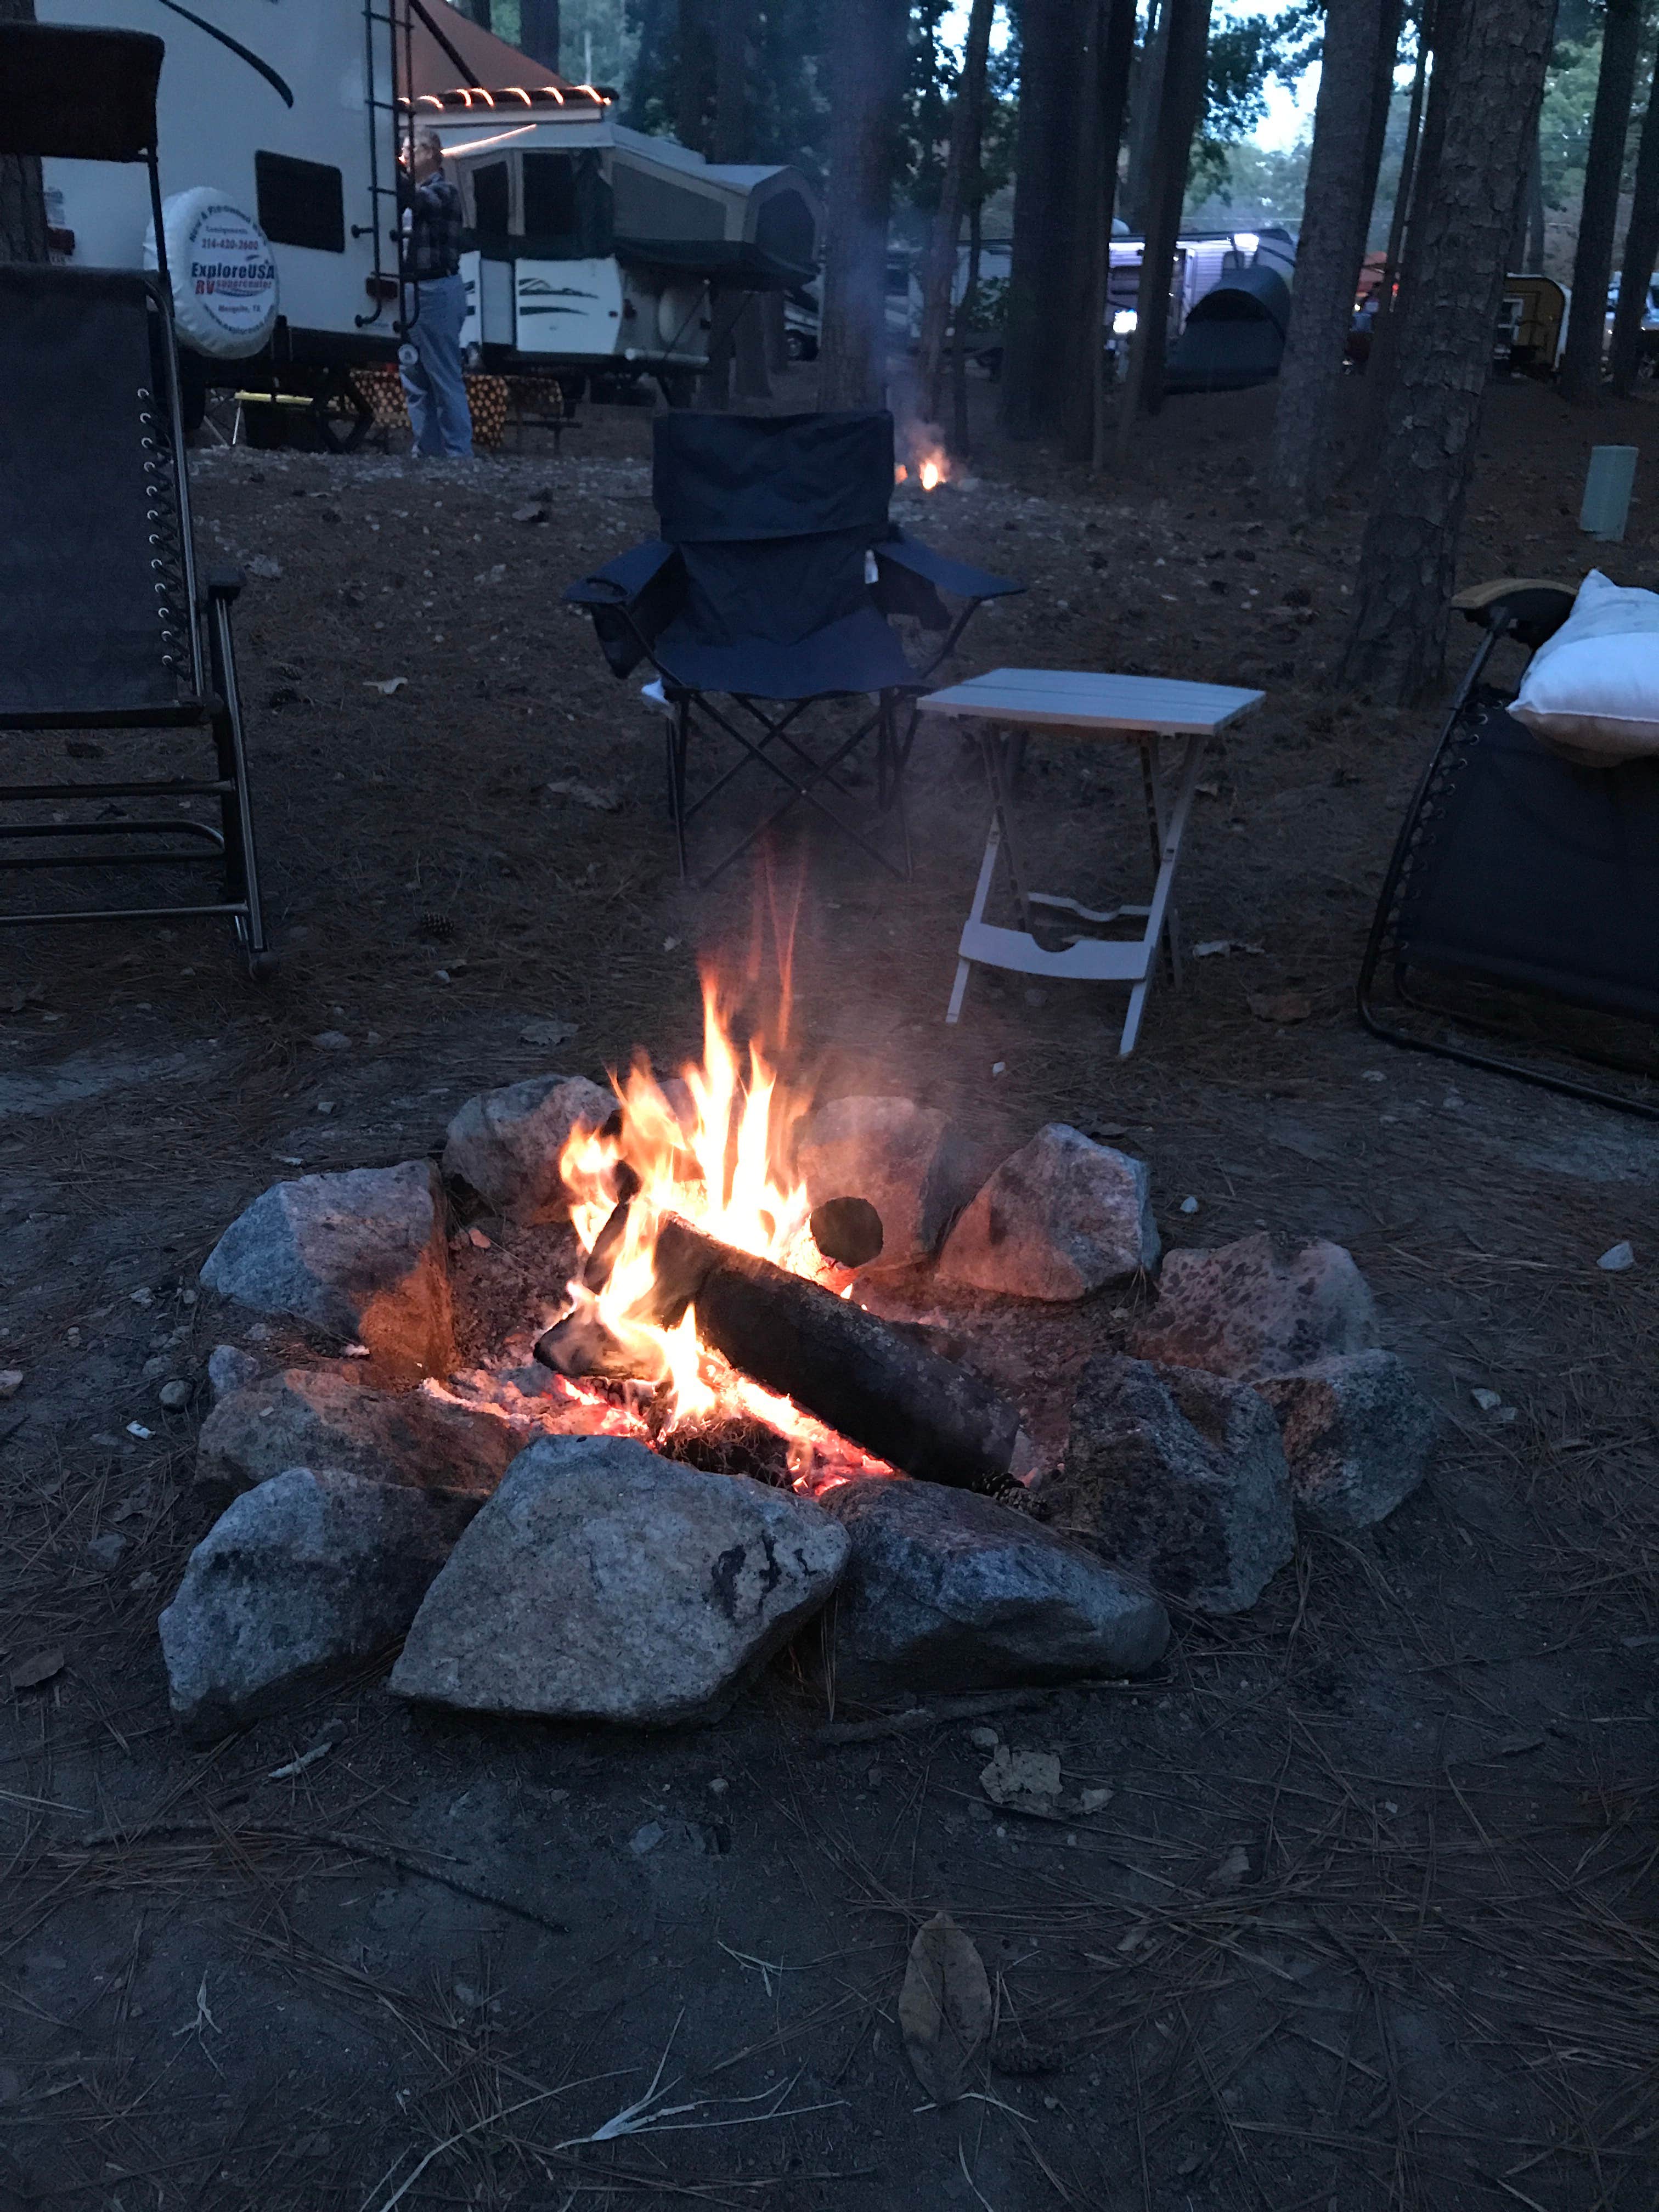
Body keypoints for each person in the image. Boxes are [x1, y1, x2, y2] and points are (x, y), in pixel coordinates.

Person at [398, 129, 473, 459]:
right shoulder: (414, 194)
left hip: (436, 289)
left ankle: (458, 453)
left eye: (409, 150)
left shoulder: (445, 192)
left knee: (443, 375)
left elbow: (419, 203)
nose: (406, 156)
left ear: (431, 153)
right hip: (414, 288)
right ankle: (427, 450)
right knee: (413, 374)